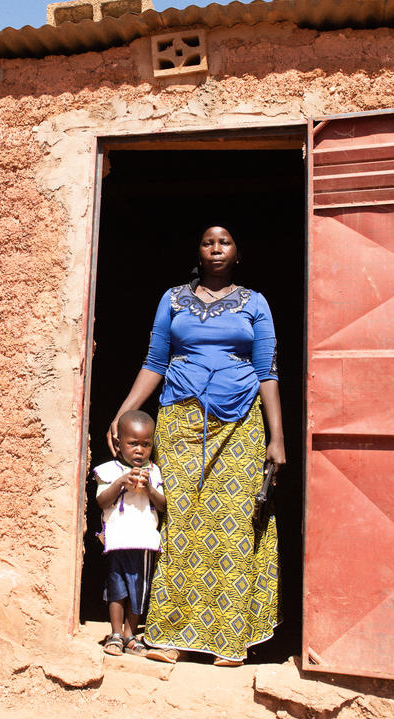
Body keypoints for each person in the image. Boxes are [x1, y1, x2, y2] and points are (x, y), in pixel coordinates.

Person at [107, 224, 283, 666]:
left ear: (237, 251)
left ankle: (230, 639)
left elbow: (267, 371)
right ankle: (169, 635)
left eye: (225, 241)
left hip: (241, 424)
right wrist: (123, 413)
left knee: (234, 520)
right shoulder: (171, 300)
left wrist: (277, 438)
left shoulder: (256, 303)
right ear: (199, 251)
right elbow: (154, 361)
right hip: (181, 422)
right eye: (208, 242)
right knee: (180, 518)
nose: (216, 248)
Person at [94, 410, 166, 656]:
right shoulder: (109, 471)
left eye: (145, 445)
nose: (139, 450)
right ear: (118, 443)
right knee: (116, 589)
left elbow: (163, 505)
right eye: (132, 444)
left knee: (138, 590)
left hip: (143, 543)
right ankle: (115, 634)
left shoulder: (155, 472)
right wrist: (119, 484)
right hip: (117, 541)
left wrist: (149, 491)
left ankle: (130, 635)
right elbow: (102, 501)